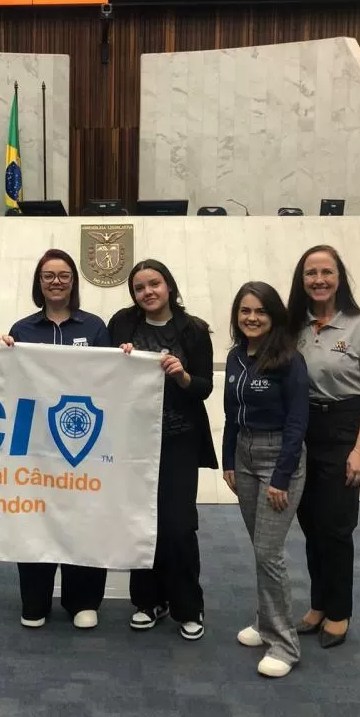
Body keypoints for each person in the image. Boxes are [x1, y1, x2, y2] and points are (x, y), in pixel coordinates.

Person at [108, 260, 217, 639]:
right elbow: (107, 377)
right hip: (135, 439)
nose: (148, 292)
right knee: (141, 521)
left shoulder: (194, 330)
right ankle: (147, 601)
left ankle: (189, 606)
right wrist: (119, 359)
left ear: (168, 286)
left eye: (154, 284)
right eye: (139, 287)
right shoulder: (121, 324)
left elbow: (204, 387)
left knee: (178, 526)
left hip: (179, 441)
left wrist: (183, 375)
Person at [3, 249, 111, 630]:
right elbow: (8, 382)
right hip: (35, 445)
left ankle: (83, 600)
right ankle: (35, 598)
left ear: (73, 282)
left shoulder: (95, 327)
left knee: (83, 518)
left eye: (63, 275)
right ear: (39, 282)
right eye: (48, 275)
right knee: (34, 517)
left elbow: (112, 380)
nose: (56, 281)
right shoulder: (22, 330)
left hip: (82, 444)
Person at [288, 245, 360, 649]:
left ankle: (340, 611)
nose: (319, 280)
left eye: (326, 272)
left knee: (337, 527)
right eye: (311, 273)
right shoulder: (295, 325)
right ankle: (318, 604)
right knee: (311, 523)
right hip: (303, 427)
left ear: (339, 277)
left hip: (344, 427)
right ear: (302, 280)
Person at [222, 282, 309, 678]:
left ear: (273, 316)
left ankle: (284, 644)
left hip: (279, 459)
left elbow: (297, 421)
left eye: (260, 311)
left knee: (268, 553)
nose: (252, 318)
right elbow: (230, 415)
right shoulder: (236, 357)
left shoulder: (289, 359)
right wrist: (227, 462)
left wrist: (281, 475)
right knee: (259, 547)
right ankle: (264, 621)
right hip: (243, 454)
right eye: (245, 311)